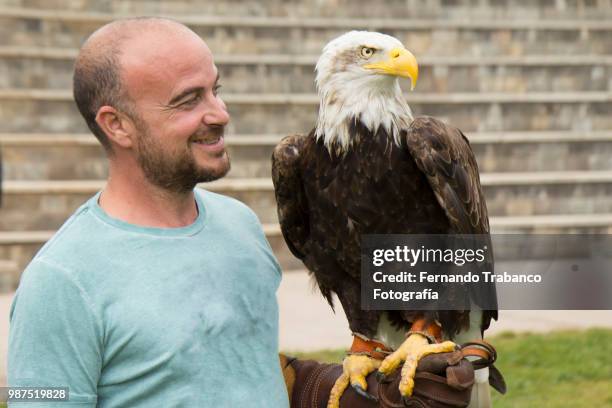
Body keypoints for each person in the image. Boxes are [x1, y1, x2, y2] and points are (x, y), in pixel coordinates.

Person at [8, 17, 289, 407]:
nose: (220, 113)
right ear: (117, 125)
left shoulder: (240, 224)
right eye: (189, 100)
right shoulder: (60, 281)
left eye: (215, 90)